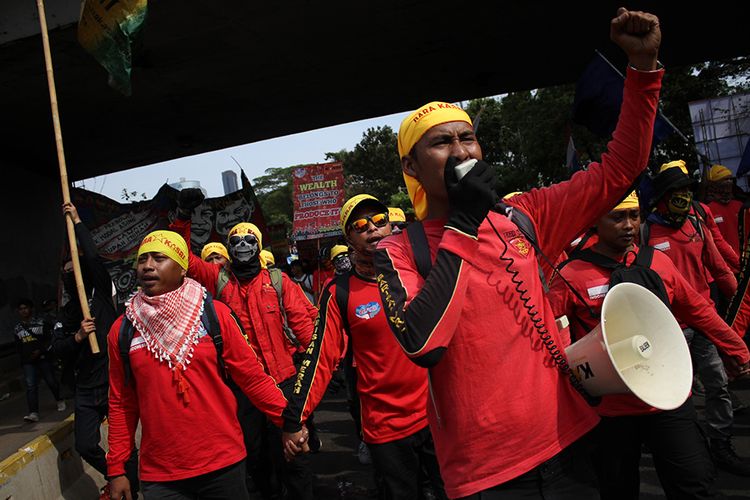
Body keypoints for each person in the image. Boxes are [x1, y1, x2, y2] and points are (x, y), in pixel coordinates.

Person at [373, 8, 662, 498]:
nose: (462, 151)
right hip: (488, 475)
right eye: (442, 142)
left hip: (570, 447)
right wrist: (463, 224)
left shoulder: (524, 214)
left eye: (468, 137)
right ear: (412, 166)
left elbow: (621, 168)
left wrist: (644, 69)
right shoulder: (398, 250)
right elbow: (423, 343)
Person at [548, 192, 750, 498]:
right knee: (617, 490)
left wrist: (735, 347)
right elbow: (549, 335)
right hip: (609, 413)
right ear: (594, 222)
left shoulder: (659, 263)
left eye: (634, 216)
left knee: (693, 484)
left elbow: (698, 309)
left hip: (666, 398)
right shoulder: (570, 275)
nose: (628, 225)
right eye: (617, 217)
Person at [106, 230, 292, 500]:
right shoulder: (122, 330)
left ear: (182, 268)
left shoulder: (214, 315)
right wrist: (116, 468)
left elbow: (252, 378)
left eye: (159, 258)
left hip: (223, 465)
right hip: (161, 477)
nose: (147, 266)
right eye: (142, 259)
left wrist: (289, 423)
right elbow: (122, 402)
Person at [283, 194, 447, 499]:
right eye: (360, 225)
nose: (372, 229)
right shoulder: (339, 290)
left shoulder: (419, 269)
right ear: (349, 238)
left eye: (379, 221)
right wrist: (295, 419)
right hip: (387, 427)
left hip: (438, 414)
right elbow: (320, 357)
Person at [171, 189, 317, 500]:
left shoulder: (279, 282)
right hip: (241, 388)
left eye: (250, 240)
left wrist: (317, 372)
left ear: (259, 247)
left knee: (293, 456)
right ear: (229, 249)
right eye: (235, 242)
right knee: (255, 456)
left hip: (284, 381)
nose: (243, 246)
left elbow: (305, 330)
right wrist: (183, 217)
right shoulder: (218, 279)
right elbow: (181, 256)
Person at [642, 160, 750, 475]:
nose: (684, 197)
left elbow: (718, 268)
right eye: (677, 191)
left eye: (687, 190)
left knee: (718, 385)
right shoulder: (646, 232)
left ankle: (720, 444)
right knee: (676, 393)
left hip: (703, 323)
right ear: (663, 195)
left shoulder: (696, 225)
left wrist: (741, 303)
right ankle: (684, 448)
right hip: (667, 330)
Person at [52, 202, 139, 497]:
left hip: (113, 381)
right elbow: (57, 349)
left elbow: (91, 256)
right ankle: (116, 478)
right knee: (85, 444)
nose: (69, 273)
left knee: (125, 446)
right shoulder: (67, 313)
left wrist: (77, 221)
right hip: (87, 389)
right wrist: (77, 337)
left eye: (73, 269)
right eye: (66, 271)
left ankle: (135, 487)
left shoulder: (100, 293)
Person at [14, 298, 65, 422]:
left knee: (51, 381)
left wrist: (41, 351)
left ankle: (59, 399)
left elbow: (50, 338)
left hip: (43, 358)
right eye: (21, 309)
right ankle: (33, 412)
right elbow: (18, 345)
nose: (23, 311)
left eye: (25, 308)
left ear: (31, 309)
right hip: (28, 361)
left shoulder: (41, 323)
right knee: (31, 386)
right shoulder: (17, 328)